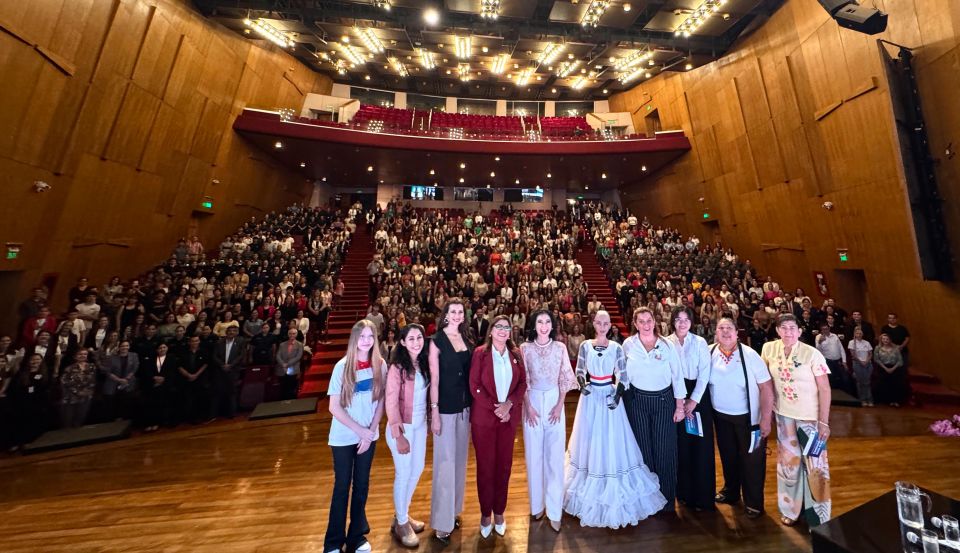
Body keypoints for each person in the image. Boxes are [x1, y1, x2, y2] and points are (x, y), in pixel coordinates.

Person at [564, 310, 667, 528]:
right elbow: (580, 370)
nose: (602, 326)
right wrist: (583, 386)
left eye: (605, 322)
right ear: (593, 324)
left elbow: (623, 374)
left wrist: (617, 395)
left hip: (610, 396)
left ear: (610, 325)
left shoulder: (617, 348)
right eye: (598, 322)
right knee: (590, 439)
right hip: (591, 398)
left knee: (611, 439)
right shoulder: (584, 345)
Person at [761, 314, 833, 527]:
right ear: (777, 330)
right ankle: (790, 509)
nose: (788, 332)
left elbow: (825, 388)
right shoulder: (768, 350)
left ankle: (819, 517)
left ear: (800, 331)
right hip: (783, 416)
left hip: (809, 419)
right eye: (783, 328)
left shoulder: (813, 354)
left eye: (792, 328)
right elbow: (765, 383)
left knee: (815, 466)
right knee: (788, 465)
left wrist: (824, 421)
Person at [323, 319, 386, 553]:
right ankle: (332, 542)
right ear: (354, 339)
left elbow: (381, 402)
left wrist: (369, 432)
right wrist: (361, 432)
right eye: (362, 336)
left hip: (368, 437)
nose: (367, 341)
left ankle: (357, 537)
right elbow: (333, 407)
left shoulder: (380, 364)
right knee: (342, 487)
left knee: (361, 486)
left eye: (371, 336)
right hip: (343, 437)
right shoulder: (343, 366)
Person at [621, 307, 686, 512]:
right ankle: (647, 500)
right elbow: (621, 374)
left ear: (654, 321)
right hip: (637, 402)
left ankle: (667, 500)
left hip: (664, 401)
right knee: (643, 451)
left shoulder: (666, 345)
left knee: (664, 450)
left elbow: (677, 375)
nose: (646, 325)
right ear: (635, 323)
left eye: (649, 320)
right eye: (641, 321)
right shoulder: (628, 345)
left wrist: (679, 406)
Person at [710, 318, 775, 519]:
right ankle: (731, 492)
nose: (725, 331)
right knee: (728, 458)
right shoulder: (710, 352)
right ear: (716, 333)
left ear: (737, 333)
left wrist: (765, 419)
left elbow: (766, 388)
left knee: (752, 461)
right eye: (721, 328)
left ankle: (754, 502)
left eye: (729, 328)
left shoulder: (750, 355)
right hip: (720, 417)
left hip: (748, 420)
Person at [469, 314, 527, 538]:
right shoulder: (480, 354)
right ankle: (485, 514)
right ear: (491, 331)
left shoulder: (516, 354)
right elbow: (474, 385)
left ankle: (499, 512)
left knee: (504, 467)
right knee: (485, 468)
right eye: (499, 326)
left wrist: (509, 405)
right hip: (484, 420)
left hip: (507, 420)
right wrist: (497, 408)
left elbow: (523, 383)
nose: (503, 330)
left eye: (507, 327)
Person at [519, 310, 576, 532]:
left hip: (554, 401)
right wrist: (528, 405)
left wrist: (560, 404)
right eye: (540, 322)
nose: (544, 326)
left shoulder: (560, 348)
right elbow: (523, 379)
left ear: (553, 325)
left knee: (554, 457)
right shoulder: (525, 348)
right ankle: (537, 506)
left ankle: (554, 510)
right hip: (532, 402)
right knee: (534, 455)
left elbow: (565, 377)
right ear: (534, 324)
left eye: (548, 322)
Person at [429, 299, 474, 544]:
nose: (456, 315)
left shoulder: (467, 340)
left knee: (459, 464)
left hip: (465, 409)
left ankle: (454, 512)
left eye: (460, 312)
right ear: (445, 315)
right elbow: (434, 379)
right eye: (452, 311)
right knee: (444, 465)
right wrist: (434, 412)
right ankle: (441, 523)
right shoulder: (436, 341)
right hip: (445, 409)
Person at [665, 306, 715, 512]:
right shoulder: (666, 343)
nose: (682, 323)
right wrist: (681, 401)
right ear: (673, 322)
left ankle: (702, 497)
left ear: (691, 322)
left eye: (686, 319)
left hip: (698, 396)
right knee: (681, 446)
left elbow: (705, 373)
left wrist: (693, 401)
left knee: (700, 446)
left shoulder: (700, 342)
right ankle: (683, 493)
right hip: (675, 396)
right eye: (678, 319)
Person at [384, 324, 430, 547]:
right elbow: (391, 401)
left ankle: (402, 514)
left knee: (417, 469)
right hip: (402, 427)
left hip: (420, 425)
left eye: (419, 337)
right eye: (410, 338)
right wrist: (398, 434)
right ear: (402, 342)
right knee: (403, 473)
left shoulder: (423, 363)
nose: (416, 342)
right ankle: (401, 523)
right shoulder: (397, 367)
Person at [138, 342, 176, 431]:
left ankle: (163, 422)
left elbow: (172, 371)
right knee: (151, 403)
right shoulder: (151, 359)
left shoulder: (171, 358)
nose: (162, 349)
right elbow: (148, 371)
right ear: (157, 350)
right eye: (160, 348)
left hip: (166, 384)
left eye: (164, 347)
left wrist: (163, 379)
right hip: (153, 384)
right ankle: (152, 422)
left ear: (167, 348)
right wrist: (154, 378)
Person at [210, 326, 245, 419]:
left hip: (233, 371)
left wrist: (231, 365)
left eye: (234, 331)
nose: (231, 332)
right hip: (220, 371)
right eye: (229, 331)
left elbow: (241, 355)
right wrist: (223, 365)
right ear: (226, 332)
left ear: (236, 333)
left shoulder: (240, 342)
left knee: (232, 393)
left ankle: (232, 413)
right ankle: (215, 414)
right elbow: (214, 356)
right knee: (218, 392)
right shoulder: (219, 342)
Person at [100, 340, 138, 421]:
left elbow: (135, 368)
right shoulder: (111, 357)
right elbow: (107, 372)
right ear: (119, 347)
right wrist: (119, 380)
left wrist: (126, 378)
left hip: (128, 383)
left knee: (126, 405)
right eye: (122, 346)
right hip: (113, 384)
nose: (125, 347)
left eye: (126, 345)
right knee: (112, 406)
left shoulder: (134, 355)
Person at [60, 349, 97, 428]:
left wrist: (88, 392)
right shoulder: (69, 368)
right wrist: (77, 392)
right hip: (71, 398)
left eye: (85, 354)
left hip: (86, 397)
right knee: (68, 420)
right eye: (80, 354)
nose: (82, 356)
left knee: (80, 418)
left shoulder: (92, 366)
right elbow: (64, 382)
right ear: (75, 356)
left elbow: (93, 381)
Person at [176, 336, 209, 423]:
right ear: (189, 342)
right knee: (188, 399)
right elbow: (179, 366)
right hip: (186, 379)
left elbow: (205, 364)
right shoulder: (183, 352)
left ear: (199, 342)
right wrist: (188, 375)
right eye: (192, 341)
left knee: (200, 398)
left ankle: (199, 417)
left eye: (196, 341)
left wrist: (196, 375)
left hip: (199, 379)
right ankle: (189, 418)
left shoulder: (203, 352)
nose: (194, 343)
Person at [874, 333, 906, 406]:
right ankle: (884, 401)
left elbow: (900, 361)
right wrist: (885, 368)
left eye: (887, 339)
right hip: (882, 368)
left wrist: (892, 368)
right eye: (883, 339)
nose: (885, 340)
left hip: (894, 368)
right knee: (883, 384)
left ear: (890, 340)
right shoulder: (877, 348)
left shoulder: (896, 348)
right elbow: (876, 359)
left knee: (894, 385)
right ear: (881, 340)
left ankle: (894, 401)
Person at [815, 323, 848, 391]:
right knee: (831, 380)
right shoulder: (818, 337)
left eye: (826, 329)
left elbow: (841, 348)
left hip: (838, 361)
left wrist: (844, 361)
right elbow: (818, 351)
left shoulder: (834, 336)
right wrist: (820, 342)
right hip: (828, 361)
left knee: (842, 379)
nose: (825, 330)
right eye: (823, 329)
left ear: (829, 328)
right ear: (821, 330)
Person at [847, 328, 874, 406]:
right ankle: (862, 400)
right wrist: (861, 361)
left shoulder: (867, 343)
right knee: (860, 382)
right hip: (858, 364)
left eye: (860, 333)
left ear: (862, 334)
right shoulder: (852, 343)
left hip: (867, 364)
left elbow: (870, 354)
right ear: (855, 334)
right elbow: (853, 354)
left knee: (867, 382)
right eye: (857, 333)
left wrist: (866, 361)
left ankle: (869, 399)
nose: (859, 335)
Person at [275, 328, 304, 400]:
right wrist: (283, 364)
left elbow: (298, 357)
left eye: (294, 333)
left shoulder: (300, 345)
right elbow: (278, 356)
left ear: (296, 335)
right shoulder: (282, 344)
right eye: (290, 333)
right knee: (282, 388)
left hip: (293, 368)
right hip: (282, 369)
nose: (292, 335)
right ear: (288, 334)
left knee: (292, 388)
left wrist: (287, 364)